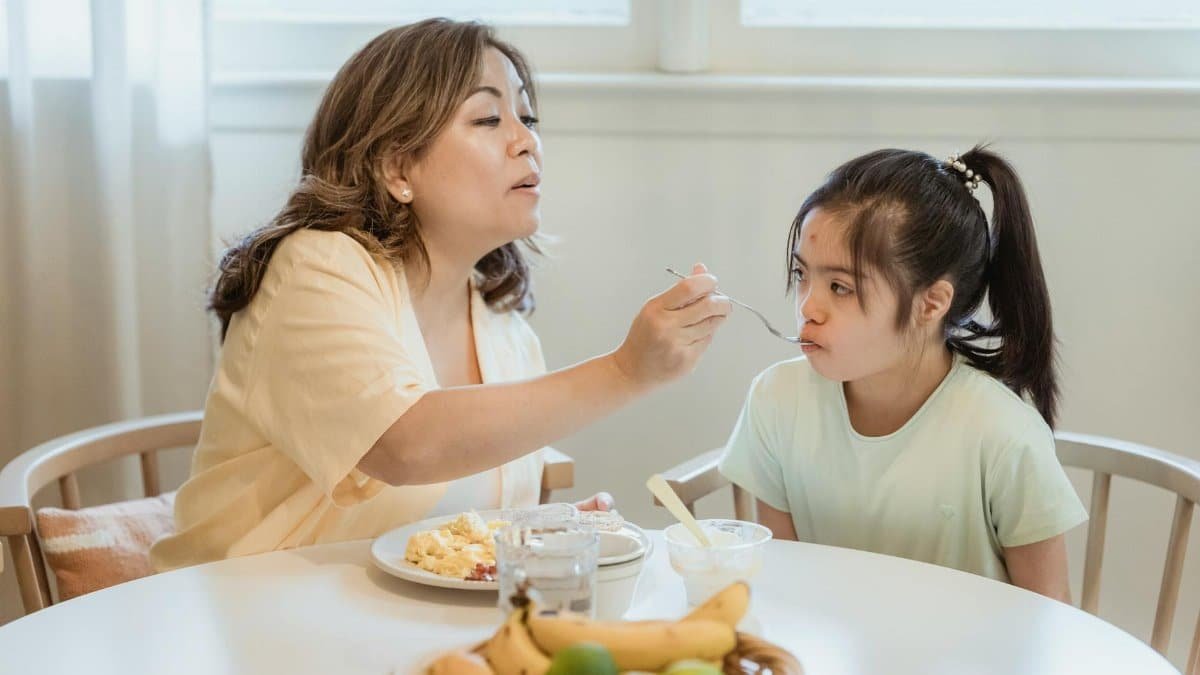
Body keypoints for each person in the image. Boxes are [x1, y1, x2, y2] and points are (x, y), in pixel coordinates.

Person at [150, 19, 730, 571]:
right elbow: (405, 444)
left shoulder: (507, 334)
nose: (527, 140)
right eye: (487, 119)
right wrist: (627, 371)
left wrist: (536, 534)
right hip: (243, 621)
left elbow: (449, 528)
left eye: (527, 116)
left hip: (381, 632)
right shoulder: (313, 269)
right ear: (398, 166)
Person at [719, 146, 1087, 601]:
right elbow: (784, 588)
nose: (808, 307)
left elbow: (1052, 621)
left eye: (840, 287)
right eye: (802, 275)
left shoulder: (1002, 436)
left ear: (931, 303)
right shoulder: (776, 401)